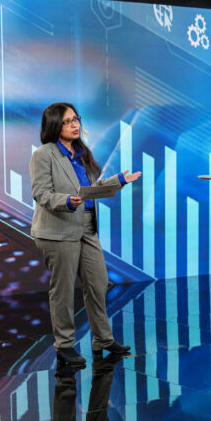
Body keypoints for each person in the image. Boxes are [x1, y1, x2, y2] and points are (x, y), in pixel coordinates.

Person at [30, 102, 141, 366]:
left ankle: (103, 338)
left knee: (98, 283)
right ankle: (65, 346)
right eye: (68, 121)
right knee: (64, 290)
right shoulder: (44, 154)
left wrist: (119, 181)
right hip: (58, 231)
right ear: (55, 126)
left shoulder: (81, 152)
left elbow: (89, 189)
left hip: (87, 227)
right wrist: (66, 200)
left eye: (76, 119)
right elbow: (41, 193)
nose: (75, 124)